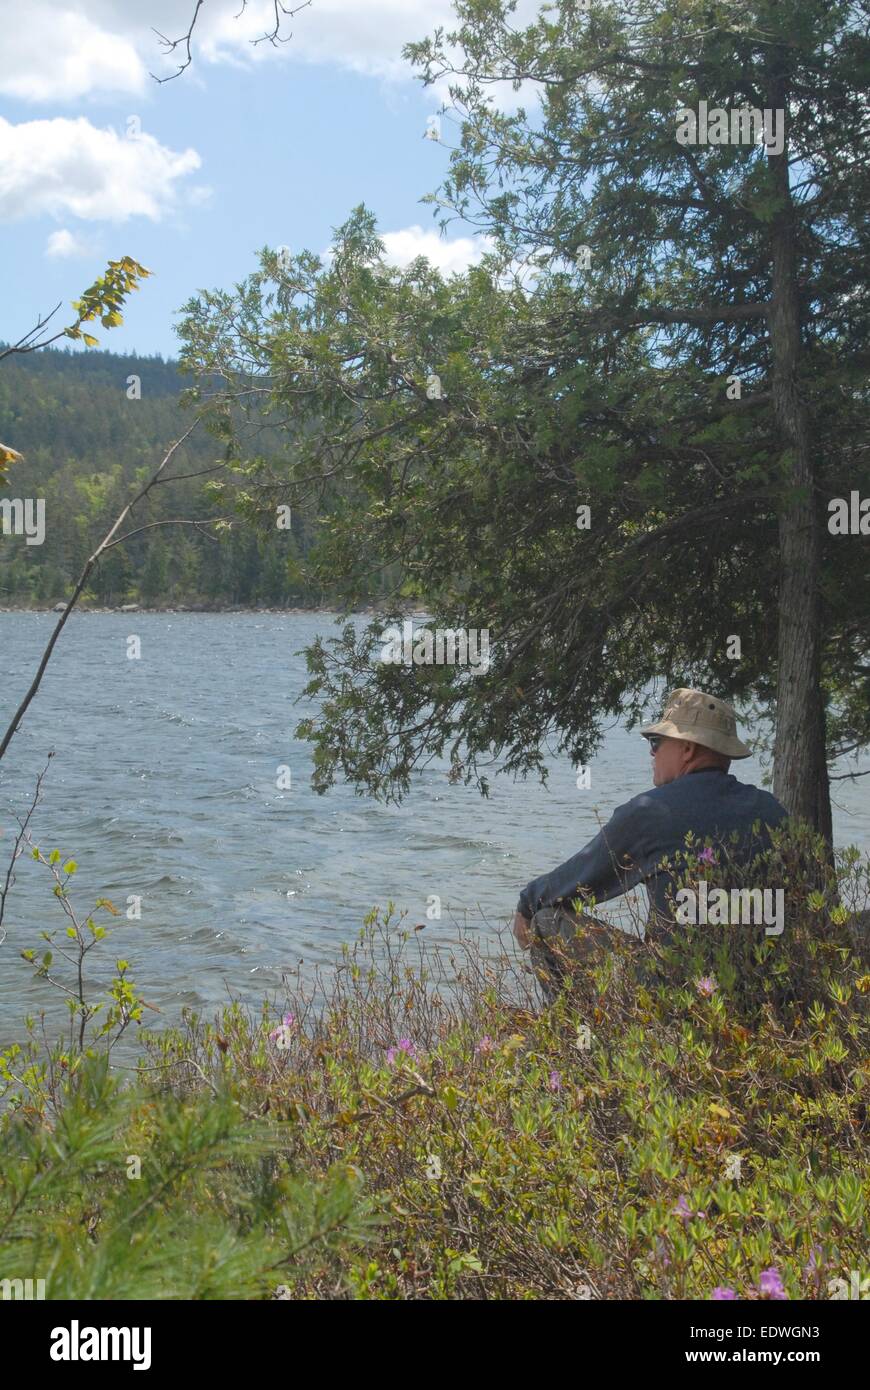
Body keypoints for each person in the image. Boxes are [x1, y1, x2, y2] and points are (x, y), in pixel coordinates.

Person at [512, 688, 789, 999]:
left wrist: (527, 903)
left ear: (687, 748)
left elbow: (580, 877)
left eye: (656, 742)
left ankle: (575, 1039)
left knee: (546, 920)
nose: (651, 753)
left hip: (674, 994)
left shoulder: (652, 812)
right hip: (764, 991)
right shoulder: (772, 810)